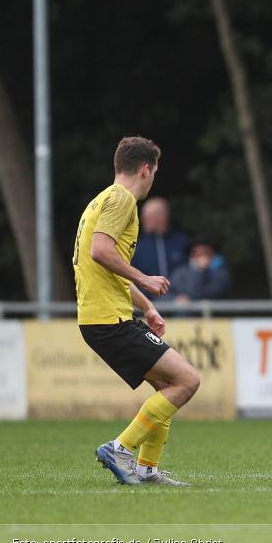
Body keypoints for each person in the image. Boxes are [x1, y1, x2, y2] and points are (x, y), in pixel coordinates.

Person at [73, 136, 200, 486]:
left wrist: (147, 306)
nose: (153, 178)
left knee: (168, 385)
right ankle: (120, 448)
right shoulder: (122, 200)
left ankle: (146, 469)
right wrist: (145, 278)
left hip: (103, 316)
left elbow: (108, 266)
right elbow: (101, 252)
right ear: (145, 169)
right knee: (188, 380)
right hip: (108, 319)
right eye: (155, 172)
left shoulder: (100, 201)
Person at [131, 196, 190, 294]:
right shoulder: (138, 247)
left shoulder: (183, 242)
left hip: (181, 304)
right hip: (149, 304)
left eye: (148, 216)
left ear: (162, 216)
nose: (142, 219)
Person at [165, 236, 231, 304]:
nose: (200, 257)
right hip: (183, 314)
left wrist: (199, 271)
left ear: (213, 254)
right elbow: (165, 294)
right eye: (196, 253)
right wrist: (176, 299)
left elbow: (202, 294)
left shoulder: (220, 273)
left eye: (205, 253)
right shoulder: (180, 272)